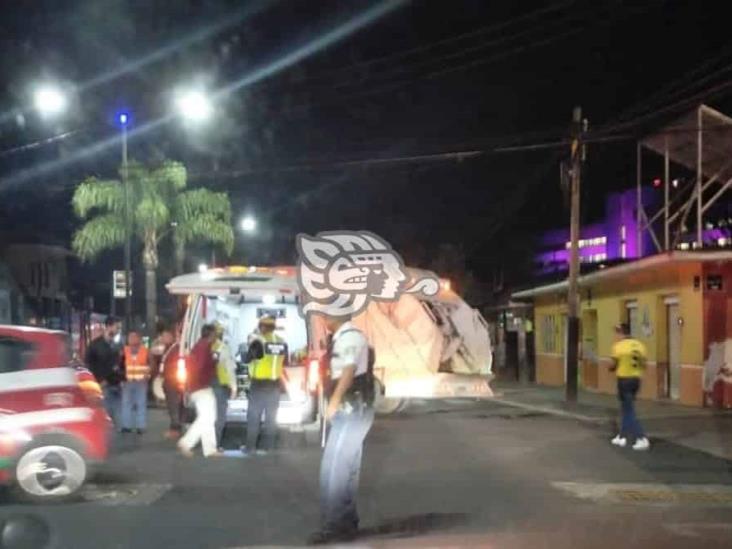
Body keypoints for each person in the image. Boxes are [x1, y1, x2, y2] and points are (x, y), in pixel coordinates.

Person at [310, 314, 374, 544]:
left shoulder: (350, 338)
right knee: (346, 468)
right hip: (351, 408)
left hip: (351, 407)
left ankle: (335, 527)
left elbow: (348, 370)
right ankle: (346, 522)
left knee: (335, 469)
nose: (323, 317)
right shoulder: (341, 337)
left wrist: (335, 400)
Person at [241, 315, 288, 456]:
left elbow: (247, 359)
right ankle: (269, 448)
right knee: (271, 419)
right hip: (275, 385)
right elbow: (285, 361)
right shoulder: (282, 342)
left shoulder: (259, 341)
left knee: (254, 417)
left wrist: (248, 346)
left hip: (259, 385)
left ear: (262, 327)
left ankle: (250, 448)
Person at [178, 324, 222, 458]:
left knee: (207, 418)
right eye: (215, 334)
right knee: (208, 417)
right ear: (211, 335)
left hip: (196, 387)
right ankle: (186, 442)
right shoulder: (204, 348)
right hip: (201, 387)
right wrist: (214, 361)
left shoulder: (198, 346)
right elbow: (200, 366)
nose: (216, 337)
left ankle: (210, 449)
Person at [610, 323, 650, 451]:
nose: (616, 335)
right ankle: (622, 436)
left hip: (624, 380)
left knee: (629, 410)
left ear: (622, 333)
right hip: (636, 379)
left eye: (617, 332)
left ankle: (641, 437)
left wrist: (610, 367)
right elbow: (644, 364)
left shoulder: (619, 347)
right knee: (626, 408)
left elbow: (613, 365)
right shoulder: (640, 345)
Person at [85, 316, 124, 427]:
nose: (118, 331)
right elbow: (88, 365)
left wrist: (121, 378)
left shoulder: (117, 346)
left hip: (116, 384)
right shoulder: (95, 345)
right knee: (106, 418)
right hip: (103, 385)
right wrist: (99, 381)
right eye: (117, 327)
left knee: (118, 420)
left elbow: (121, 364)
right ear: (108, 326)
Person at [212, 322, 237, 452]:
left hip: (204, 386)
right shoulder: (223, 348)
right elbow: (229, 369)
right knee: (219, 417)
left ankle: (208, 444)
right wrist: (234, 387)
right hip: (219, 385)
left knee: (208, 416)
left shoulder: (203, 346)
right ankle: (214, 444)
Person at [120, 331, 151, 434]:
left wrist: (148, 375)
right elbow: (120, 365)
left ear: (139, 339)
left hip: (141, 382)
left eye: (134, 337)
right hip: (127, 381)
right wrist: (120, 378)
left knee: (141, 403)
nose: (132, 339)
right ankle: (126, 426)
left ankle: (141, 426)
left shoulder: (145, 351)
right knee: (126, 403)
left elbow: (152, 364)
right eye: (130, 337)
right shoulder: (124, 351)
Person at [158, 328, 185, 440]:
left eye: (165, 336)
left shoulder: (176, 349)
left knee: (174, 406)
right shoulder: (168, 348)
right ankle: (175, 428)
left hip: (173, 382)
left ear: (171, 337)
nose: (162, 339)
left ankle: (175, 429)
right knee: (172, 406)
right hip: (169, 381)